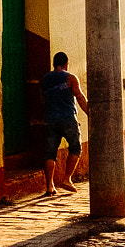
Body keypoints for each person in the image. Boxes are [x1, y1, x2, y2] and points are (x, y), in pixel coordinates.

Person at [40, 50, 89, 197]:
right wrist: (91, 114)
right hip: (68, 118)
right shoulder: (71, 78)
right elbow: (80, 97)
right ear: (66, 64)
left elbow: (41, 101)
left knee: (50, 153)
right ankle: (67, 179)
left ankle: (49, 186)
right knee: (75, 148)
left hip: (50, 120)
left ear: (54, 64)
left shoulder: (45, 80)